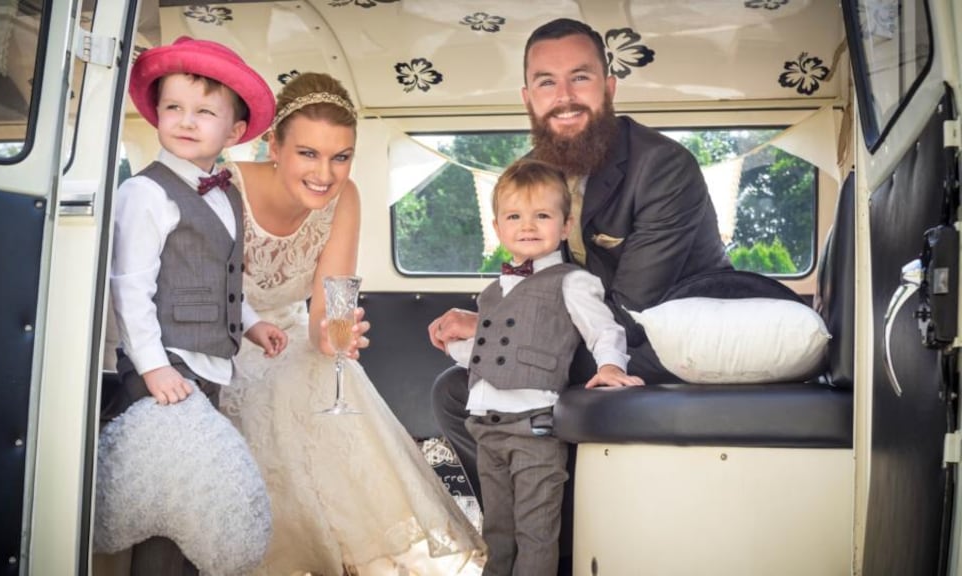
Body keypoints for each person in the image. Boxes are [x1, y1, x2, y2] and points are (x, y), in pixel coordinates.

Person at [426, 16, 735, 564]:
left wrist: (494, 329)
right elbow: (526, 273)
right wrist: (482, 322)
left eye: (581, 78)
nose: (563, 97)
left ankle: (554, 546)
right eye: (546, 82)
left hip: (652, 346)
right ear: (527, 97)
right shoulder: (530, 173)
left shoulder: (664, 168)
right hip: (576, 338)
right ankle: (519, 530)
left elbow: (634, 310)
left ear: (609, 87)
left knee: (521, 388)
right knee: (460, 391)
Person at [218, 71, 484, 576]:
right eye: (308, 153)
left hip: (294, 336)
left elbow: (328, 310)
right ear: (273, 145)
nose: (325, 173)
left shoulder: (346, 197)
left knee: (325, 376)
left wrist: (333, 335)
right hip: (224, 340)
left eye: (340, 157)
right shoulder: (227, 189)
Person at [106, 37, 288, 575]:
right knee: (168, 506)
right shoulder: (145, 194)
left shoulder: (225, 192)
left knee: (197, 509)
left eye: (204, 112)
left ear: (233, 132)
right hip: (165, 369)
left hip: (208, 368)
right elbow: (129, 288)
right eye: (173, 108)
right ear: (157, 114)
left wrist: (251, 324)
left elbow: (220, 276)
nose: (186, 121)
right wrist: (154, 367)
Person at [445, 159, 644, 576]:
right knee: (497, 530)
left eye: (542, 216)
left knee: (536, 532)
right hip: (486, 424)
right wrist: (456, 347)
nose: (528, 226)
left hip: (533, 426)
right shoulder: (491, 292)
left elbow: (603, 329)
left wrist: (609, 365)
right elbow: (491, 355)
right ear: (498, 228)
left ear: (566, 225)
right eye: (514, 216)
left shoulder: (572, 281)